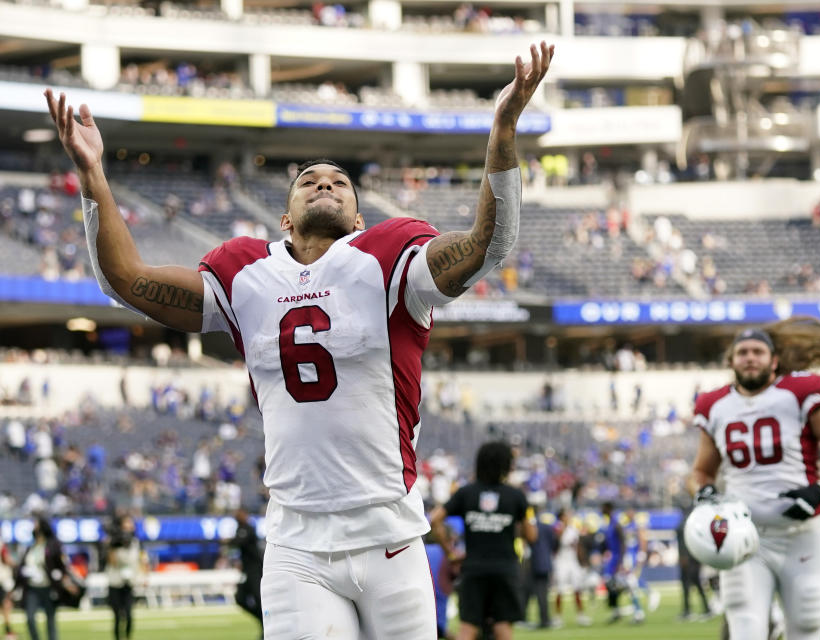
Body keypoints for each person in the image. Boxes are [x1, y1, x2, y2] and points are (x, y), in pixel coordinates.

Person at [45, 41, 553, 640]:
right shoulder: (247, 276)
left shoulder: (389, 261)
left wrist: (502, 130)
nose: (324, 184)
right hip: (296, 544)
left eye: (340, 182)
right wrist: (92, 175)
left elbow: (487, 244)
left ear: (360, 218)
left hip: (389, 535)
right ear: (284, 217)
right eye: (308, 180)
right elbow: (126, 281)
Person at [689, 319, 820, 640]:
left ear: (774, 360)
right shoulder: (715, 405)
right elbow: (701, 471)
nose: (749, 357)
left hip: (801, 533)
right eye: (742, 351)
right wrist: (704, 493)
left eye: (758, 351)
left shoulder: (798, 394)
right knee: (745, 629)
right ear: (730, 361)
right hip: (746, 538)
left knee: (807, 627)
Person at [429, 441, 537, 640]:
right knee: (503, 628)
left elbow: (435, 519)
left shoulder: (466, 492)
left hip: (473, 569)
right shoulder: (516, 496)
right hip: (505, 569)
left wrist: (451, 554)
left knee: (468, 628)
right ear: (507, 465)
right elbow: (531, 536)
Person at [15, 517, 78, 640]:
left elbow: (61, 566)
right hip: (32, 588)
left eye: (36, 524)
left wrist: (67, 582)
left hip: (49, 587)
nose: (33, 527)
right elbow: (23, 566)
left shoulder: (53, 545)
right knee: (30, 617)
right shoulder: (30, 547)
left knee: (50, 619)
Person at [105, 515, 147, 640]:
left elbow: (142, 560)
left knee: (129, 614)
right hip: (115, 581)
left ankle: (128, 637)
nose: (129, 526)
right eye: (126, 523)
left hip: (129, 582)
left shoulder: (136, 542)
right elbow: (112, 562)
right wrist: (113, 545)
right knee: (117, 616)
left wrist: (144, 576)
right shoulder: (113, 542)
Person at [226, 509, 263, 636]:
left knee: (258, 598)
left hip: (256, 570)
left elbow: (237, 542)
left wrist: (227, 541)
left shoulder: (248, 529)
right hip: (247, 572)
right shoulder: (240, 529)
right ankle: (261, 619)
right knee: (240, 597)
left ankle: (265, 625)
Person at [552, 509, 591, 626]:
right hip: (561, 561)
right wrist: (563, 527)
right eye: (566, 515)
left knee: (577, 588)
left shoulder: (573, 529)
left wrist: (583, 561)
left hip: (572, 561)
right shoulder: (557, 528)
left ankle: (580, 615)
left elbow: (578, 546)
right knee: (560, 589)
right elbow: (556, 542)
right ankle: (558, 617)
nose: (568, 517)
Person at [676, 507, 711, 622]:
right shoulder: (695, 524)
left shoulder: (687, 524)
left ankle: (695, 610)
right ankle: (694, 610)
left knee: (690, 585)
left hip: (690, 560)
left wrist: (684, 557)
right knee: (690, 586)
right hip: (692, 559)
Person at [599, 501, 627, 623]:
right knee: (611, 586)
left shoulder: (616, 524)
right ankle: (616, 611)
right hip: (611, 560)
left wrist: (620, 561)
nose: (601, 510)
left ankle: (637, 611)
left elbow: (622, 543)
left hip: (616, 559)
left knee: (622, 585)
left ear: (608, 508)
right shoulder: (609, 524)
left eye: (603, 507)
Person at [0, 541, 16, 640]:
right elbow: (6, 558)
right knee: (6, 604)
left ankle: (8, 630)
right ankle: (8, 630)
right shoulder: (1, 543)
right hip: (2, 578)